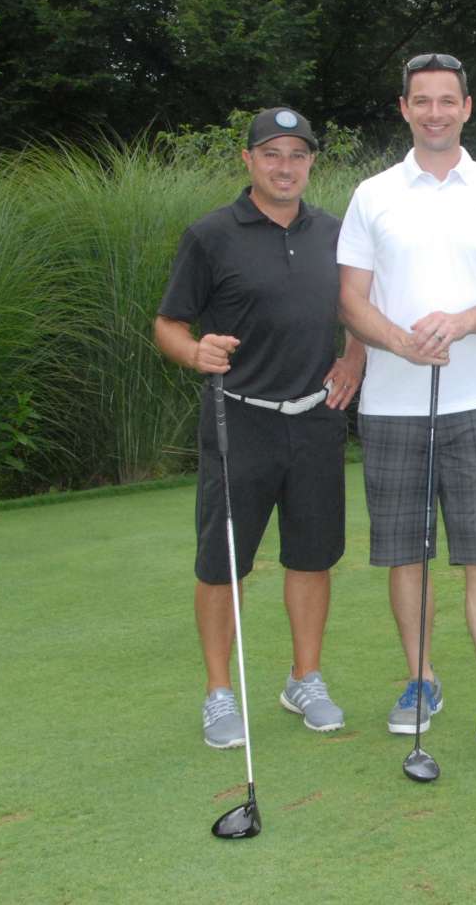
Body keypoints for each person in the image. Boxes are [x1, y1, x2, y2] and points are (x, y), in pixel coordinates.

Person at [336, 53, 476, 767]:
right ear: (404, 109)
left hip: (475, 401)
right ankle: (421, 678)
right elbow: (350, 299)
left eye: (447, 100)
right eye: (421, 100)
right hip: (391, 404)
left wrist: (460, 323)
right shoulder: (372, 195)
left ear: (467, 107)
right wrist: (400, 341)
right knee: (407, 553)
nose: (435, 112)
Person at [154, 106, 364, 749]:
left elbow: (359, 309)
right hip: (239, 419)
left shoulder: (336, 233)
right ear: (248, 160)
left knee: (312, 555)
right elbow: (169, 324)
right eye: (272, 154)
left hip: (316, 419)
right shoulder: (210, 235)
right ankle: (220, 692)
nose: (285, 167)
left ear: (311, 163)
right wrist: (195, 352)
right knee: (223, 563)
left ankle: (305, 678)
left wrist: (354, 357)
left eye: (297, 155)